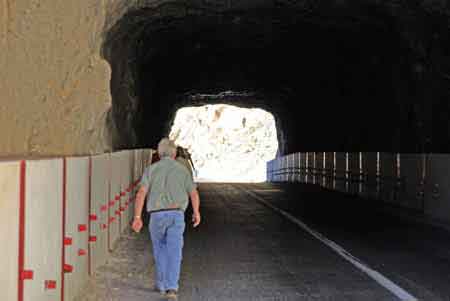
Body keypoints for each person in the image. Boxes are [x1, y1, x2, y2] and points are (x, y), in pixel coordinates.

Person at [132, 138, 201, 299]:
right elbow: (193, 193)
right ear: (175, 153)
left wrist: (137, 217)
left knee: (160, 249)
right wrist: (196, 212)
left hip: (156, 216)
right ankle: (171, 288)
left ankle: (162, 284)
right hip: (176, 215)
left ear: (159, 153)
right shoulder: (182, 170)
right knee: (175, 251)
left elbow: (141, 193)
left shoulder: (151, 170)